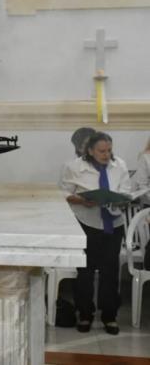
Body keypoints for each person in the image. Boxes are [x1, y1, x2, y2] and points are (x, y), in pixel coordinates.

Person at [60, 131, 130, 335]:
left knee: (110, 272)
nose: (106, 154)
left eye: (109, 150)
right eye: (101, 151)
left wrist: (121, 198)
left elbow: (126, 190)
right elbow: (63, 192)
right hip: (87, 223)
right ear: (90, 150)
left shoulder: (120, 166)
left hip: (113, 224)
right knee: (85, 272)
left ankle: (110, 316)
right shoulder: (75, 167)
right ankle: (85, 314)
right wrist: (82, 200)